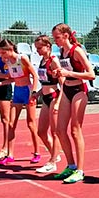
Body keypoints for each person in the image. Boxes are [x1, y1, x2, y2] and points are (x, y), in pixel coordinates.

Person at [51, 23, 95, 184]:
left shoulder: (76, 50)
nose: (54, 40)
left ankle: (80, 170)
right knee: (60, 130)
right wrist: (58, 73)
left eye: (57, 37)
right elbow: (65, 72)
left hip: (79, 91)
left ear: (66, 36)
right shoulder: (61, 52)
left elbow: (91, 74)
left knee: (76, 130)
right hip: (67, 90)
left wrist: (68, 73)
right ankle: (70, 165)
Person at [0, 39, 39, 166]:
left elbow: (34, 76)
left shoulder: (22, 58)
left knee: (31, 124)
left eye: (2, 53)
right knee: (10, 124)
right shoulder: (8, 62)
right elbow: (13, 79)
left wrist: (34, 92)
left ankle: (37, 152)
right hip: (18, 92)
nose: (1, 57)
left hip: (27, 91)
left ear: (9, 50)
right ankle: (10, 155)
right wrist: (1, 83)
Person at [33, 35, 62, 174]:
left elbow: (63, 84)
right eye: (36, 48)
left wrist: (58, 103)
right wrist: (37, 93)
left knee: (55, 132)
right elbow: (45, 82)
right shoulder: (42, 61)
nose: (37, 50)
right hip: (45, 97)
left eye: (40, 47)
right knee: (41, 131)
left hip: (54, 97)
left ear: (48, 46)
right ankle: (55, 155)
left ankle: (52, 161)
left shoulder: (53, 61)